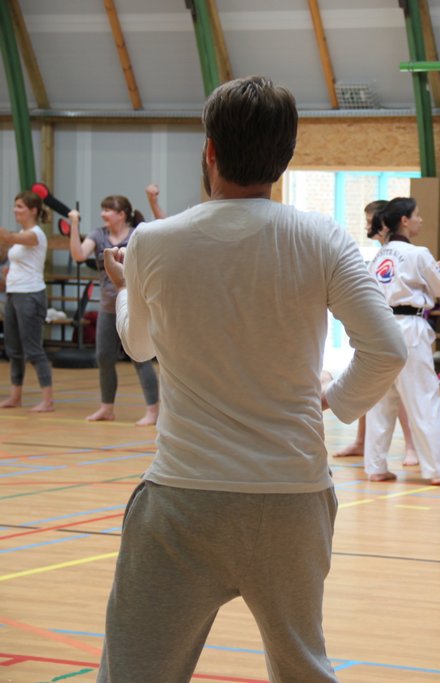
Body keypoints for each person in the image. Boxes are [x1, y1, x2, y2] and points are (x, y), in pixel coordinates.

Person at [96, 75, 406, 682]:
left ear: (209, 150)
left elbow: (136, 342)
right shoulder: (321, 237)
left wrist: (130, 287)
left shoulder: (152, 242)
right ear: (284, 158)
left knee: (136, 673)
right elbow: (386, 349)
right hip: (292, 496)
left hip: (184, 498)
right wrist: (336, 402)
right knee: (302, 670)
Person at [363, 197, 440, 484]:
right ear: (404, 221)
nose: (420, 219)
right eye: (417, 215)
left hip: (380, 329)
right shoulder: (418, 253)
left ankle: (375, 466)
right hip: (409, 329)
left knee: (381, 401)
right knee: (423, 399)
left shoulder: (380, 256)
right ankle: (437, 469)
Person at [332, 199, 418, 465]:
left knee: (402, 390)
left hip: (399, 325)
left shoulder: (401, 250)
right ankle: (361, 441)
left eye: (371, 221)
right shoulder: (380, 253)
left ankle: (412, 447)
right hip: (374, 323)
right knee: (364, 383)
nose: (368, 226)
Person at [67, 196, 160, 425]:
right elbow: (79, 255)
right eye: (103, 209)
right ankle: (106, 408)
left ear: (122, 214)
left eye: (108, 210)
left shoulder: (138, 233)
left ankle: (153, 411)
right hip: (108, 306)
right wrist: (74, 225)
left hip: (136, 302)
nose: (103, 214)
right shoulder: (98, 235)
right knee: (104, 357)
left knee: (140, 358)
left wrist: (152, 201)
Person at [0, 191, 55, 412]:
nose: (15, 210)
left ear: (33, 210)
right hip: (13, 293)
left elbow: (11, 238)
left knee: (33, 349)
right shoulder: (22, 234)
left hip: (30, 295)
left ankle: (47, 399)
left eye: (20, 207)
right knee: (13, 348)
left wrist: (5, 236)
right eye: (15, 206)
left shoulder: (36, 234)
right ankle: (16, 396)